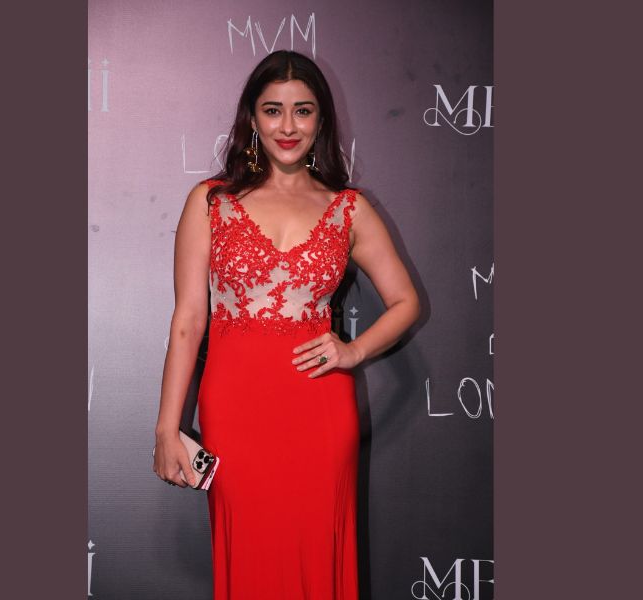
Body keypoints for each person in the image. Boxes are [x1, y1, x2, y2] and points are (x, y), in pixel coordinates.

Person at [152, 50, 420, 599]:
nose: (288, 126)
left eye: (303, 110)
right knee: (251, 554)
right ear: (252, 117)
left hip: (320, 410)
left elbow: (405, 302)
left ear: (321, 119)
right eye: (273, 110)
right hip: (235, 409)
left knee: (317, 552)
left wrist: (353, 351)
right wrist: (166, 427)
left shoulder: (348, 209)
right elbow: (188, 321)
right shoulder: (211, 201)